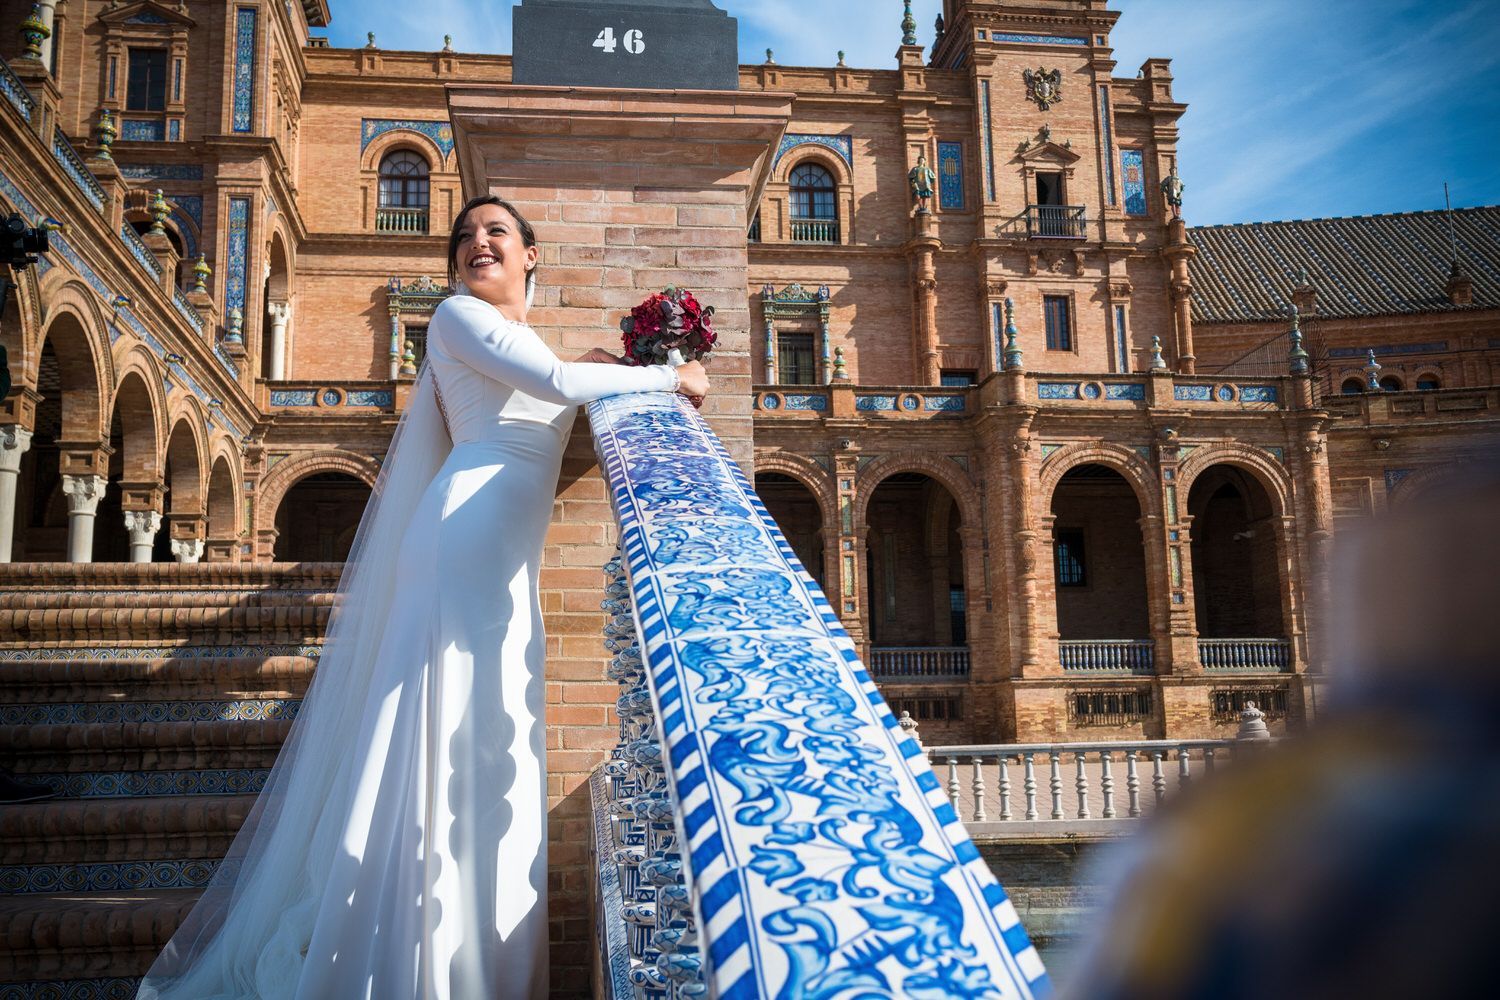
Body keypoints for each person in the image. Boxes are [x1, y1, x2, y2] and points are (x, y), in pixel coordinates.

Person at [137, 195, 709, 1000]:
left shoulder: (511, 335)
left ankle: (473, 965)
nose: (479, 244)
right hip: (458, 545)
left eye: (497, 233)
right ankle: (419, 967)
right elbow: (547, 381)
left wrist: (609, 370)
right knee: (440, 740)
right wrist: (669, 374)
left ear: (532, 255)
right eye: (466, 236)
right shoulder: (455, 317)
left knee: (486, 741)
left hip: (499, 564)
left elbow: (551, 380)